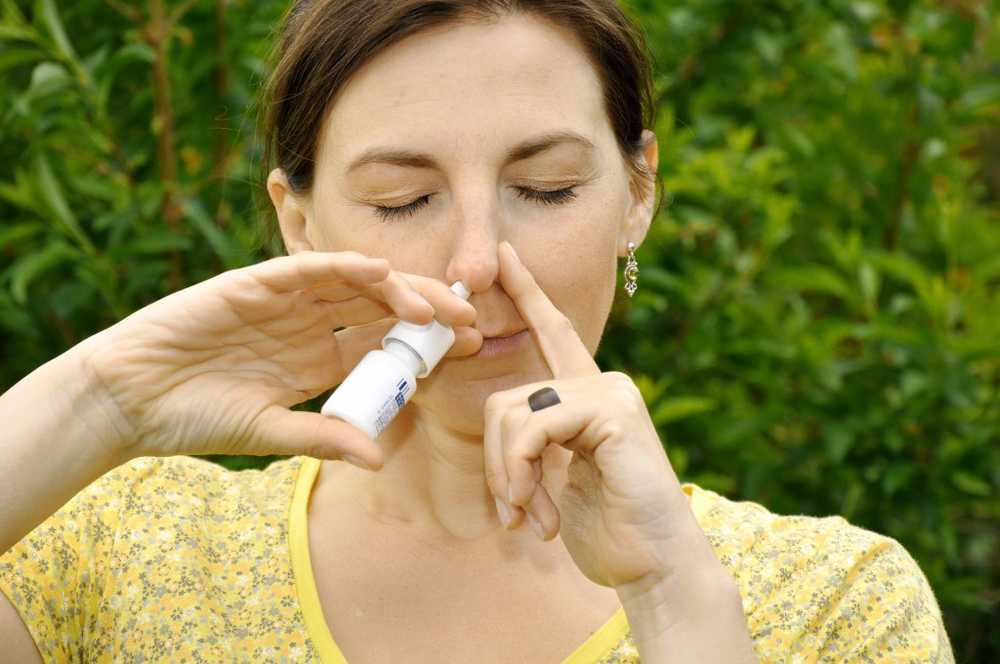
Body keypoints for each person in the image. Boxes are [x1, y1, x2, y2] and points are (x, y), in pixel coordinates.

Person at [0, 1, 955, 662]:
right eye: (401, 198)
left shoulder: (839, 603)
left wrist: (674, 600)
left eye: (546, 188)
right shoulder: (117, 551)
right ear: (299, 224)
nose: (474, 261)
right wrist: (102, 399)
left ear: (640, 193)